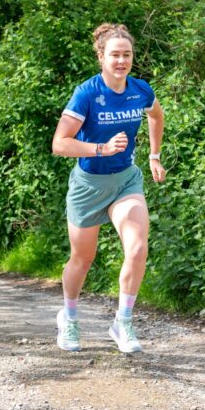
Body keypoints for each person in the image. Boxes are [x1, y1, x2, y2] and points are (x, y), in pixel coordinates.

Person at [51, 23, 166, 353]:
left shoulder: (140, 90)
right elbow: (60, 144)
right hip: (88, 184)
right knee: (82, 259)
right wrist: (100, 148)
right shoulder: (87, 93)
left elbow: (156, 117)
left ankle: (123, 322)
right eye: (114, 54)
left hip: (125, 181)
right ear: (101, 56)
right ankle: (70, 319)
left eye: (126, 54)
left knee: (138, 247)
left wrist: (154, 156)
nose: (121, 61)